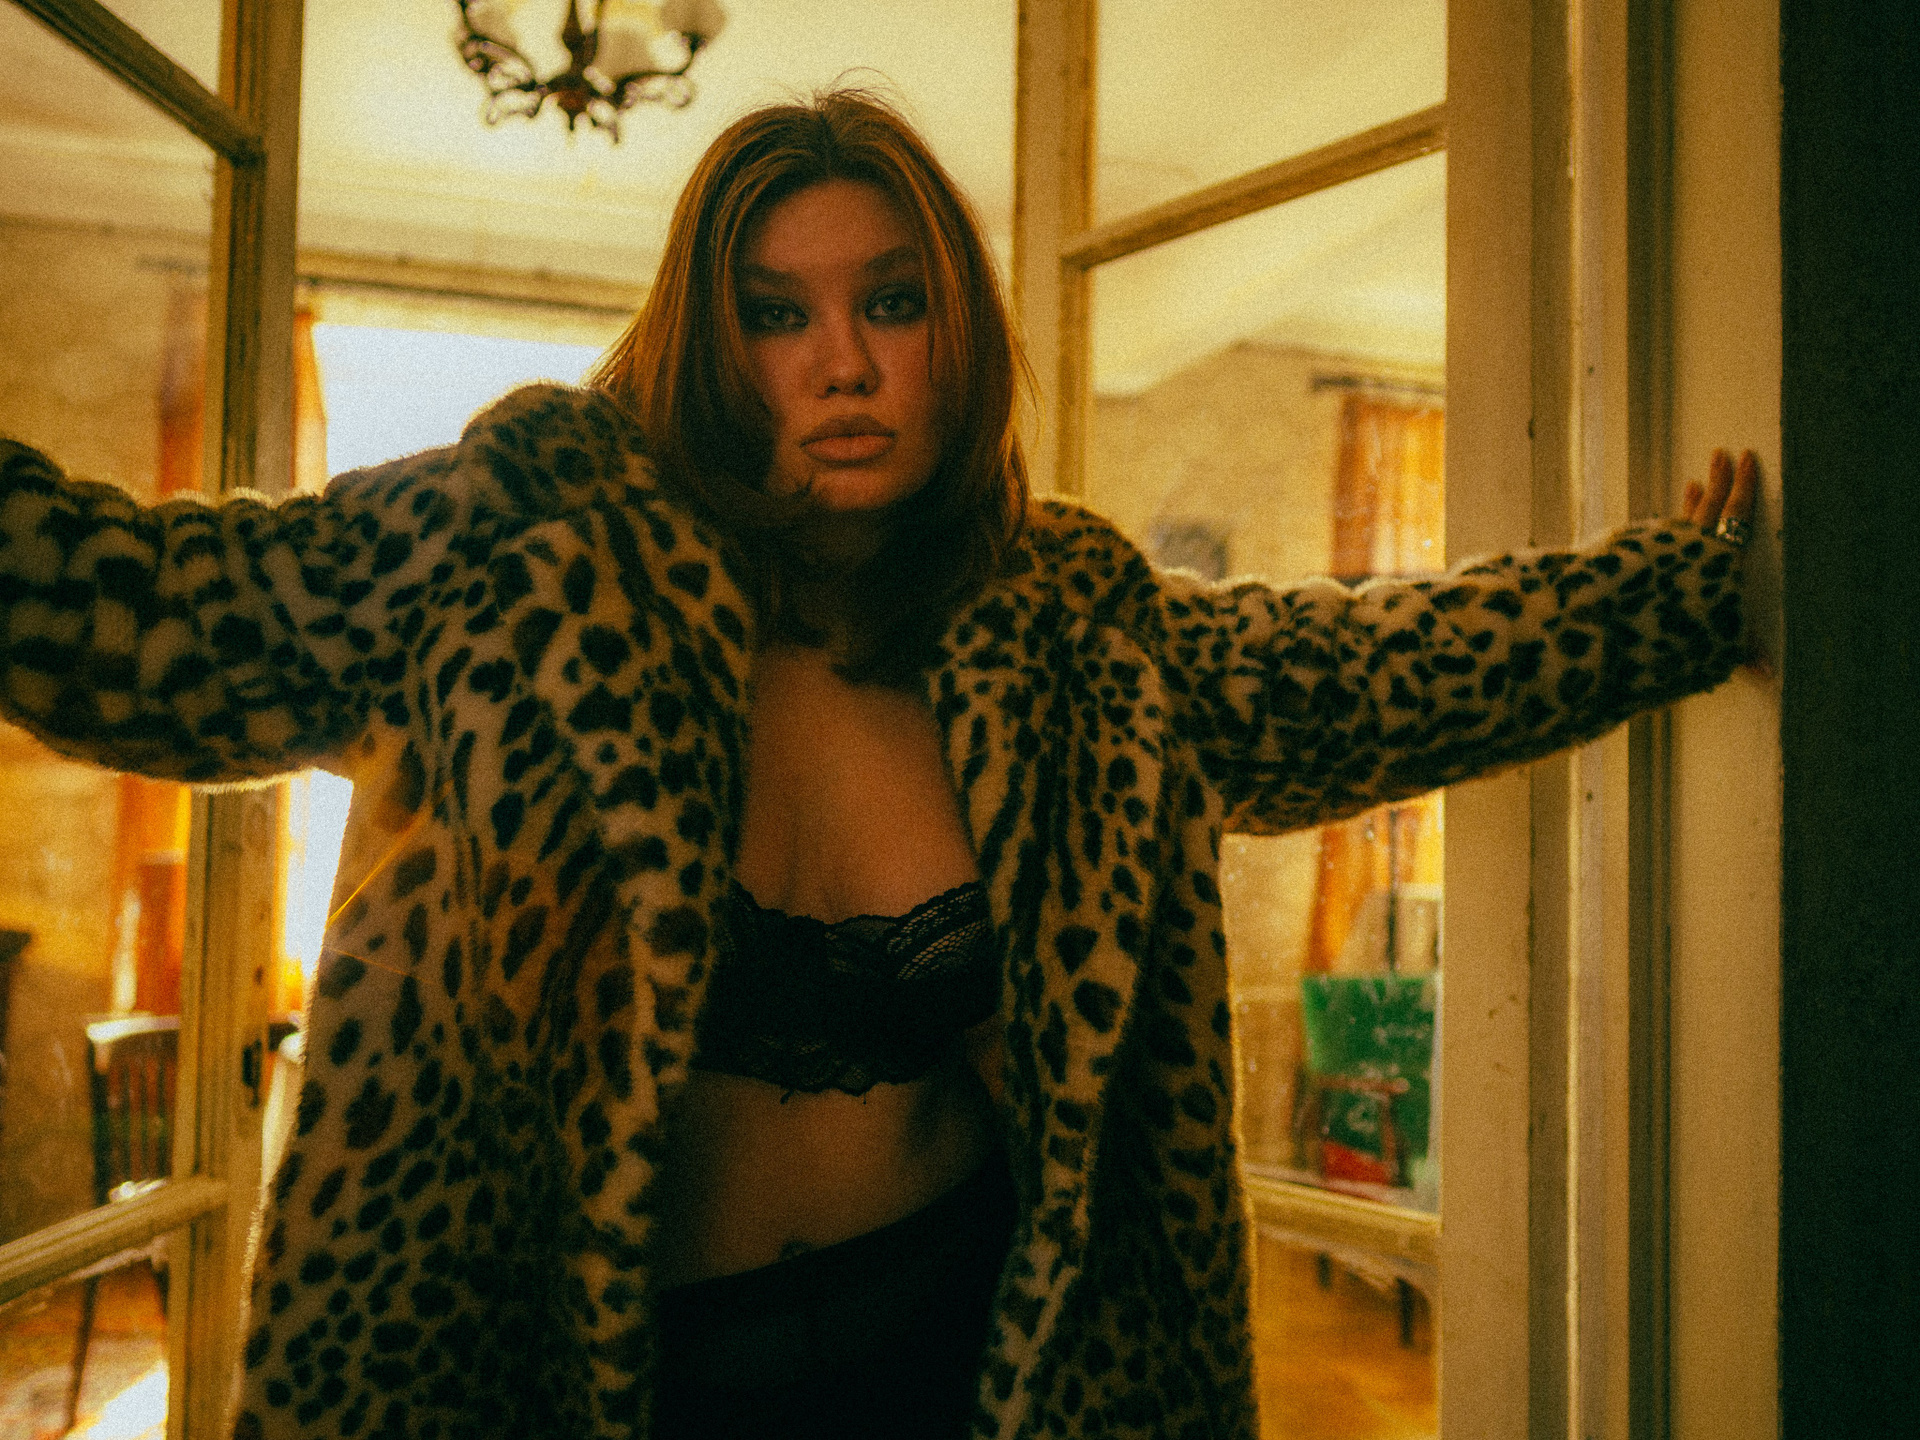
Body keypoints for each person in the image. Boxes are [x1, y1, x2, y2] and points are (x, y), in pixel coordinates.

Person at [0, 89, 1754, 1440]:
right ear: (711, 341)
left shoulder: (1076, 640)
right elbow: (133, 612)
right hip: (563, 1378)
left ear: (955, 332)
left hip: (970, 1358)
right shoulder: (514, 561)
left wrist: (1682, 595)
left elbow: (1380, 672)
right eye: (777, 314)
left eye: (891, 303)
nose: (841, 363)